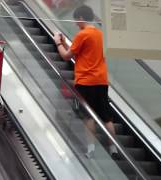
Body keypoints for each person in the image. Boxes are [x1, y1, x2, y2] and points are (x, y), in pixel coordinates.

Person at [53, 5, 118, 158]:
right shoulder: (101, 35)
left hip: (85, 82)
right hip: (101, 80)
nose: (76, 23)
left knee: (88, 116)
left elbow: (66, 56)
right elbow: (79, 54)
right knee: (106, 116)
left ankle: (91, 149)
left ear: (81, 18)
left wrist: (58, 43)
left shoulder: (83, 35)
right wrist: (66, 43)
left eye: (76, 20)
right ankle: (114, 148)